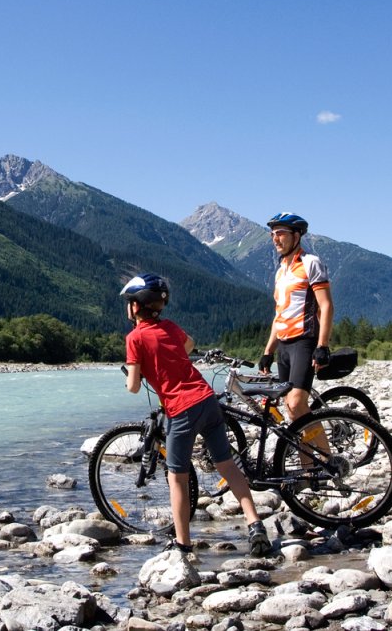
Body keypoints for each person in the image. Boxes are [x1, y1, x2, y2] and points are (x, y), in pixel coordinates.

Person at [119, 273, 271, 558]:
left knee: (178, 478)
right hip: (207, 401)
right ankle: (255, 524)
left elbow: (134, 387)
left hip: (181, 409)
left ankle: (183, 543)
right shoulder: (170, 327)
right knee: (227, 465)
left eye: (129, 302)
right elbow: (189, 345)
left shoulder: (134, 338)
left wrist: (133, 371)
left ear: (136, 306)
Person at [258, 213, 334, 429]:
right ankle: (309, 463)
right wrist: (268, 351)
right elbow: (279, 314)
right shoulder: (281, 271)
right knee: (291, 411)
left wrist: (323, 346)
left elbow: (326, 305)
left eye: (281, 233)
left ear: (297, 235)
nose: (275, 238)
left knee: (296, 403)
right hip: (283, 346)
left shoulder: (311, 263)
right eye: (273, 234)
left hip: (304, 341)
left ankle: (328, 460)